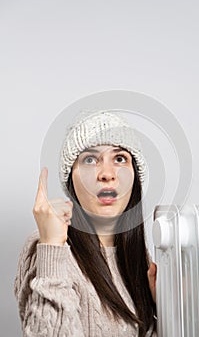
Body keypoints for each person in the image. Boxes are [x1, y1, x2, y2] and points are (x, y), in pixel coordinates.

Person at [14, 110, 157, 336]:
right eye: (90, 159)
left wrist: (166, 308)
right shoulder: (48, 249)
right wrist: (51, 246)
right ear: (71, 179)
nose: (107, 174)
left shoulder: (138, 258)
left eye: (120, 158)